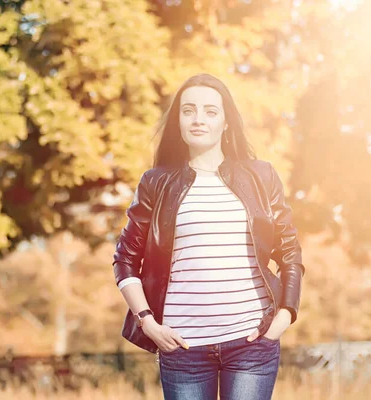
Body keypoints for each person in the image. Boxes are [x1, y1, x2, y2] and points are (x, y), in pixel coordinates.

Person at [112, 73, 305, 400]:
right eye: (188, 111)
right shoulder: (155, 182)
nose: (198, 119)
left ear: (226, 121)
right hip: (182, 347)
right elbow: (125, 260)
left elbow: (289, 253)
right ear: (178, 120)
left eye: (210, 111)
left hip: (251, 343)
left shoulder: (261, 176)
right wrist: (147, 322)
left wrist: (284, 316)